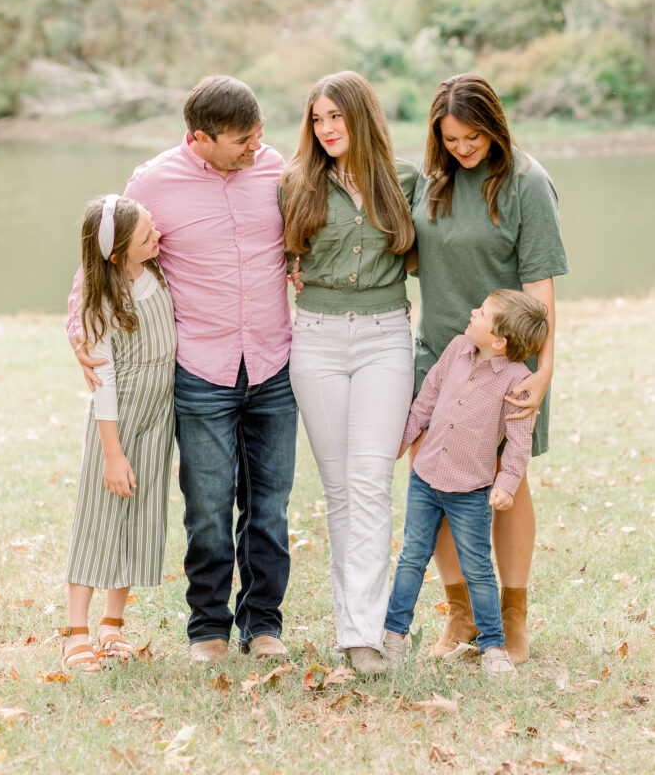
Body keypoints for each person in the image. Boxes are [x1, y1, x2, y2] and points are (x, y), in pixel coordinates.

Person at [67, 76, 298, 665]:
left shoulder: (276, 169)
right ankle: (208, 630)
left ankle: (264, 624)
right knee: (208, 512)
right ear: (199, 137)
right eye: (242, 140)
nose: (256, 147)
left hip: (273, 364)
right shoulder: (151, 183)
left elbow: (304, 235)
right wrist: (79, 328)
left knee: (269, 509)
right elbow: (101, 260)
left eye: (258, 134)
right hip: (201, 371)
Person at [410, 73, 569, 663]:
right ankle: (462, 615)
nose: (463, 148)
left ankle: (512, 614)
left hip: (507, 363)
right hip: (437, 359)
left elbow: (542, 291)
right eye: (451, 139)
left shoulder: (527, 183)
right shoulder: (432, 185)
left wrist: (542, 370)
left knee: (507, 481)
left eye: (473, 136)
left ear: (494, 126)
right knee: (435, 480)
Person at [279, 70, 417, 675]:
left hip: (387, 336)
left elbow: (426, 250)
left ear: (360, 117)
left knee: (371, 483)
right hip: (316, 339)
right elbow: (274, 252)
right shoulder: (296, 182)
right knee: (339, 489)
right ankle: (355, 630)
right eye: (317, 119)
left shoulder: (405, 181)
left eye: (336, 117)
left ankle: (367, 629)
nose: (327, 129)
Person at [383, 289, 549, 678]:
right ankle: (393, 637)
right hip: (425, 480)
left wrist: (506, 484)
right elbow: (426, 400)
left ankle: (493, 646)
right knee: (411, 557)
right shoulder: (457, 349)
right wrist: (403, 439)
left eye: (482, 313)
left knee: (478, 568)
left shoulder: (517, 380)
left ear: (499, 341)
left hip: (471, 491)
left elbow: (519, 442)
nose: (472, 312)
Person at [62, 195, 176, 672]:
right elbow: (104, 386)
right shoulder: (103, 302)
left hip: (157, 419)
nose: (158, 238)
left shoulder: (157, 274)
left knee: (136, 518)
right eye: (148, 236)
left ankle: (112, 625)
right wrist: (113, 453)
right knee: (97, 521)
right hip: (119, 421)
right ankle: (76, 631)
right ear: (115, 255)